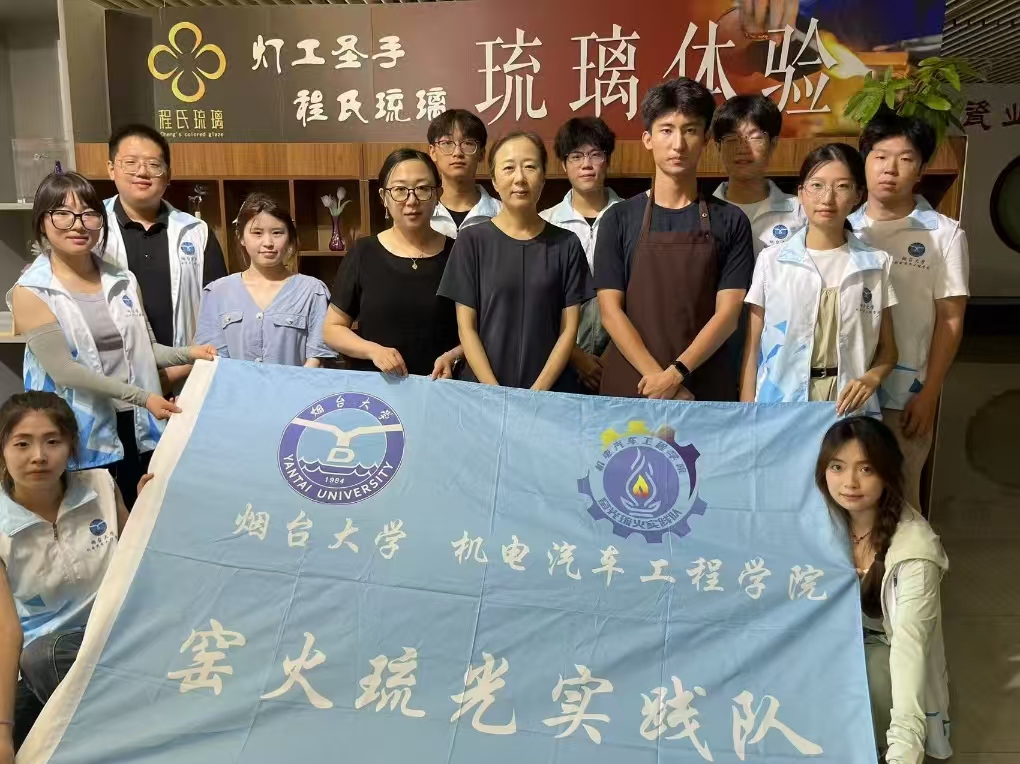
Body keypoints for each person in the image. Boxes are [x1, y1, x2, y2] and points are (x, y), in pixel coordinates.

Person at [8, 172, 215, 507]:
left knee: (141, 512)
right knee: (94, 520)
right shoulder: (32, 290)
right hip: (78, 429)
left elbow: (145, 351)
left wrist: (189, 353)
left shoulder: (122, 279)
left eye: (89, 214)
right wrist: (144, 397)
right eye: (62, 214)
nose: (78, 225)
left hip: (136, 422)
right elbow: (64, 371)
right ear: (42, 221)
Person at [595, 78, 754, 401]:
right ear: (648, 139)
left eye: (690, 130)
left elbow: (728, 315)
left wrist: (677, 373)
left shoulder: (731, 220)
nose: (678, 144)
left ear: (705, 139)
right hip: (634, 386)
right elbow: (610, 312)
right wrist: (660, 380)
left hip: (702, 387)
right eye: (666, 130)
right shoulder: (618, 219)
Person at [0, 392, 135, 751]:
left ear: (72, 446)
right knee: (43, 658)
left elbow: (139, 561)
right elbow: (7, 631)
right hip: (45, 663)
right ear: (3, 450)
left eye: (53, 441)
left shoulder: (101, 485)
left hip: (120, 634)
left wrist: (153, 509)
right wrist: (2, 730)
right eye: (22, 443)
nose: (39, 456)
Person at [849, 110, 969, 511]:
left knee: (900, 505)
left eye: (905, 159)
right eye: (880, 156)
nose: (890, 168)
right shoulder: (842, 229)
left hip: (906, 397)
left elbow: (951, 319)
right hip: (843, 392)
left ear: (921, 170)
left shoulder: (944, 234)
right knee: (844, 504)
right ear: (864, 161)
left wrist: (931, 391)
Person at [815, 415, 951, 763]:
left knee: (871, 677)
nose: (849, 482)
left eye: (866, 469)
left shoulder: (915, 550)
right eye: (837, 467)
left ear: (887, 473)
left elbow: (909, 648)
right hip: (827, 638)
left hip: (882, 648)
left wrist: (905, 747)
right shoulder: (816, 517)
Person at [741, 144, 898, 416]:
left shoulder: (876, 264)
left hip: (848, 406)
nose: (827, 198)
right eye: (817, 185)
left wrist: (872, 378)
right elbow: (753, 347)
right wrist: (747, 410)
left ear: (858, 195)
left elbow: (889, 351)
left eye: (842, 187)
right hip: (779, 404)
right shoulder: (771, 261)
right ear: (801, 193)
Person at [439, 131, 591, 391]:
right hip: (484, 392)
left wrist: (536, 394)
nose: (519, 178)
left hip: (550, 392)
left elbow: (568, 331)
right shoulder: (471, 241)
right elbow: (467, 329)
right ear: (494, 180)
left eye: (530, 167)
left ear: (543, 177)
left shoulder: (566, 244)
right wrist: (495, 393)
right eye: (508, 168)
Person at [100, 124, 227, 390]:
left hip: (184, 380)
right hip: (112, 382)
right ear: (111, 169)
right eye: (130, 163)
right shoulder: (91, 227)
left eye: (153, 164)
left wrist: (174, 375)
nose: (142, 172)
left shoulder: (196, 231)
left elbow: (219, 314)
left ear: (168, 175)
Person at [326, 149, 461, 378]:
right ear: (383, 197)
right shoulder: (363, 253)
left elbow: (477, 330)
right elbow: (332, 329)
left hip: (439, 388)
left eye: (422, 189)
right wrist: (373, 351)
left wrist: (453, 356)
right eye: (400, 190)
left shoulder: (458, 253)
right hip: (377, 390)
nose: (411, 200)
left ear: (438, 194)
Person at [195, 194, 334, 368]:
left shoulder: (312, 291)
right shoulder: (217, 292)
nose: (268, 242)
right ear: (241, 237)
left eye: (277, 233)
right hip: (235, 385)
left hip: (294, 385)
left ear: (289, 237)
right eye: (257, 233)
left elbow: (317, 356)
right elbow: (212, 358)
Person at [540, 117, 622, 393]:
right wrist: (576, 357)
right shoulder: (545, 223)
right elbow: (540, 302)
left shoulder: (632, 218)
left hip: (621, 358)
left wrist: (611, 356)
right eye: (576, 156)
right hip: (557, 361)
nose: (586, 164)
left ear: (607, 160)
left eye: (595, 154)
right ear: (564, 165)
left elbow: (640, 296)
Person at [711, 95, 806, 256]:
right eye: (731, 139)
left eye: (755, 138)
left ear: (773, 144)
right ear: (718, 147)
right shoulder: (702, 213)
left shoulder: (800, 212)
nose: (743, 149)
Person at [427, 109, 502, 238]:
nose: (457, 153)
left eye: (468, 143)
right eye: (447, 143)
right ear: (433, 152)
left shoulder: (502, 214)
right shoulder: (421, 212)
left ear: (482, 154)